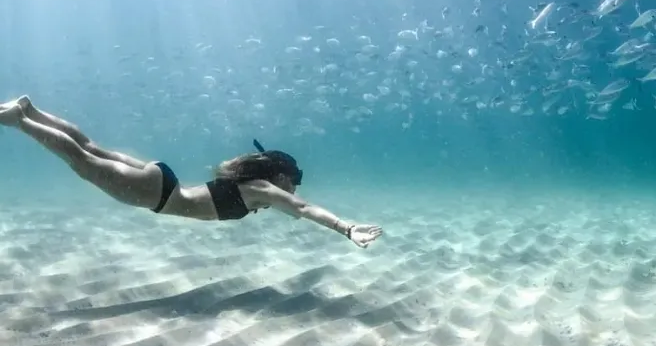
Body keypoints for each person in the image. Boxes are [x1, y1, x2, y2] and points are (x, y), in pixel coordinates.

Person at [0, 96, 382, 248]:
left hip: (163, 180)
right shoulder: (264, 189)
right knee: (83, 163)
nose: (295, 188)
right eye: (294, 181)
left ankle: (31, 110)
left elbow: (296, 208)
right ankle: (22, 120)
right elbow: (302, 209)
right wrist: (345, 227)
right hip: (161, 196)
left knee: (92, 149)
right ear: (282, 175)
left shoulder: (250, 182)